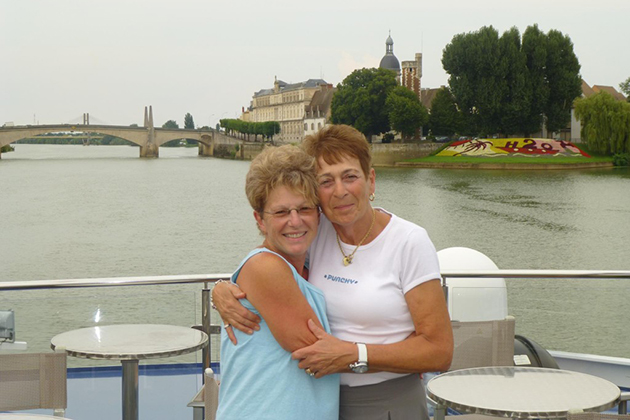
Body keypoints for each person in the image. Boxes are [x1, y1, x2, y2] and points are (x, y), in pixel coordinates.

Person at [213, 125, 453, 420]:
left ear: (371, 180)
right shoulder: (316, 231)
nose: (340, 191)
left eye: (350, 176)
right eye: (326, 181)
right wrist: (224, 288)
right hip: (319, 399)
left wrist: (359, 355)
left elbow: (439, 350)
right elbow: (270, 259)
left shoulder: (408, 242)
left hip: (385, 401)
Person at [215, 145, 339, 420]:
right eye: (281, 212)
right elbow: (319, 355)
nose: (295, 222)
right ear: (260, 220)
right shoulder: (266, 268)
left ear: (318, 214)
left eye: (304, 209)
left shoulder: (309, 268)